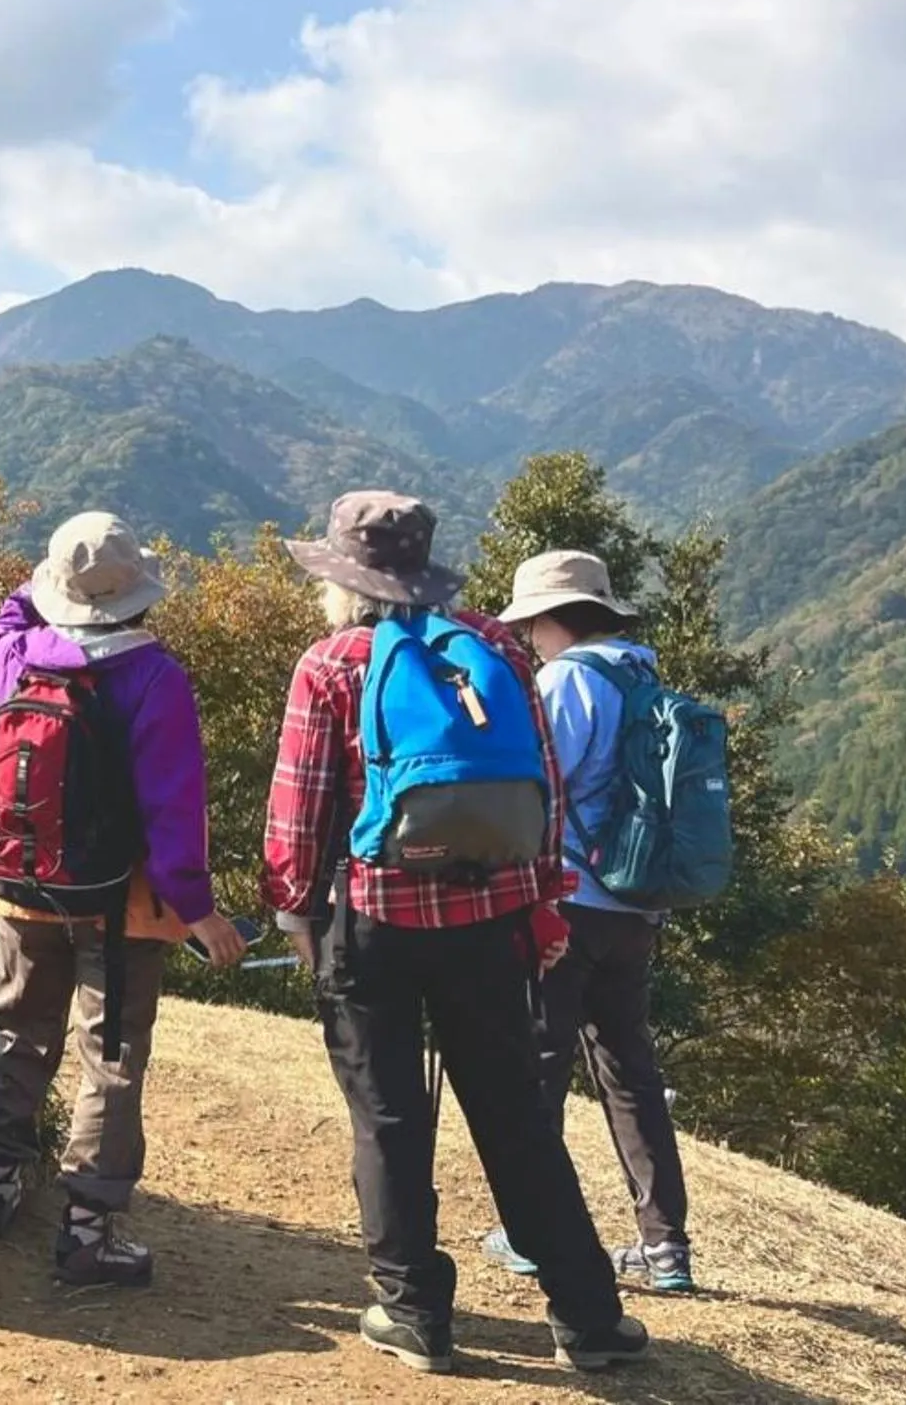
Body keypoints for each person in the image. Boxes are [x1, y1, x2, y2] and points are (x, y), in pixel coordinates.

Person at [263, 492, 648, 1375]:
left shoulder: (331, 663)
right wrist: (543, 904)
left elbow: (297, 811)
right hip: (490, 921)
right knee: (515, 1116)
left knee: (389, 1117)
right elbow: (543, 789)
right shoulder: (496, 650)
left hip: (372, 922)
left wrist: (295, 911)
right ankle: (587, 1317)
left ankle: (414, 1314)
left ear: (342, 580)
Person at [0, 512, 243, 1287]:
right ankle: (86, 1230)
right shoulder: (155, 679)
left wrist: (45, 582)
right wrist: (199, 910)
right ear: (136, 595)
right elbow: (171, 811)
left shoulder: (19, 659)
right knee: (110, 1054)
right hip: (121, 905)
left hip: (21, 889)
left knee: (19, 1031)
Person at [482, 550, 695, 1293]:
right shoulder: (643, 675)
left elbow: (537, 785)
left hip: (569, 899)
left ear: (551, 618)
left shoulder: (567, 679)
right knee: (631, 1071)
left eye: (531, 625)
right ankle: (665, 1248)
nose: (528, 639)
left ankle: (529, 1231)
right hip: (638, 904)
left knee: (538, 1063)